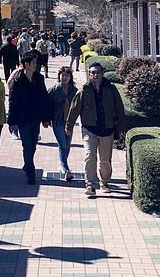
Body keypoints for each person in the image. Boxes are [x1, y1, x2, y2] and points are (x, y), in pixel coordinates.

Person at [66, 61, 126, 197]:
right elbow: (74, 109)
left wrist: (122, 128)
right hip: (89, 129)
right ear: (89, 74)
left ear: (102, 73)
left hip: (107, 129)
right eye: (93, 72)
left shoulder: (111, 89)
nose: (95, 75)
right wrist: (69, 126)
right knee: (90, 156)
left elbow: (119, 109)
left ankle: (104, 182)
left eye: (98, 72)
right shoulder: (84, 90)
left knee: (105, 160)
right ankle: (91, 185)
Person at [7, 51, 52, 185]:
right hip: (23, 118)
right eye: (33, 63)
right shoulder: (17, 80)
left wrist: (46, 118)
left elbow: (44, 98)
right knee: (27, 145)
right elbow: (12, 101)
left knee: (33, 145)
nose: (36, 64)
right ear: (26, 64)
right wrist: (11, 121)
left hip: (36, 117)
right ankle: (31, 173)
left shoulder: (39, 78)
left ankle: (27, 165)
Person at [48, 68, 77, 180]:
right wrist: (46, 120)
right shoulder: (54, 90)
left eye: (66, 76)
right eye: (62, 75)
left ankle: (62, 165)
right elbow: (47, 105)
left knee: (67, 145)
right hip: (57, 120)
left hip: (69, 121)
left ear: (70, 78)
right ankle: (65, 168)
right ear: (59, 76)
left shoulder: (74, 90)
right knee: (62, 144)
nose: (64, 78)